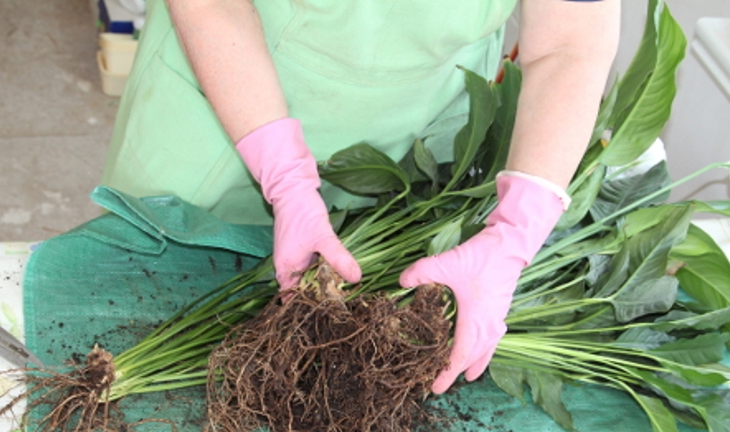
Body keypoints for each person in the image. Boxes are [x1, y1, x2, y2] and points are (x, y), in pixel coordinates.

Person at [102, 0, 621, 394]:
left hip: (416, 125)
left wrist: (515, 233)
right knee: (135, 304)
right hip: (225, 84)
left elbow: (571, 43)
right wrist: (283, 175)